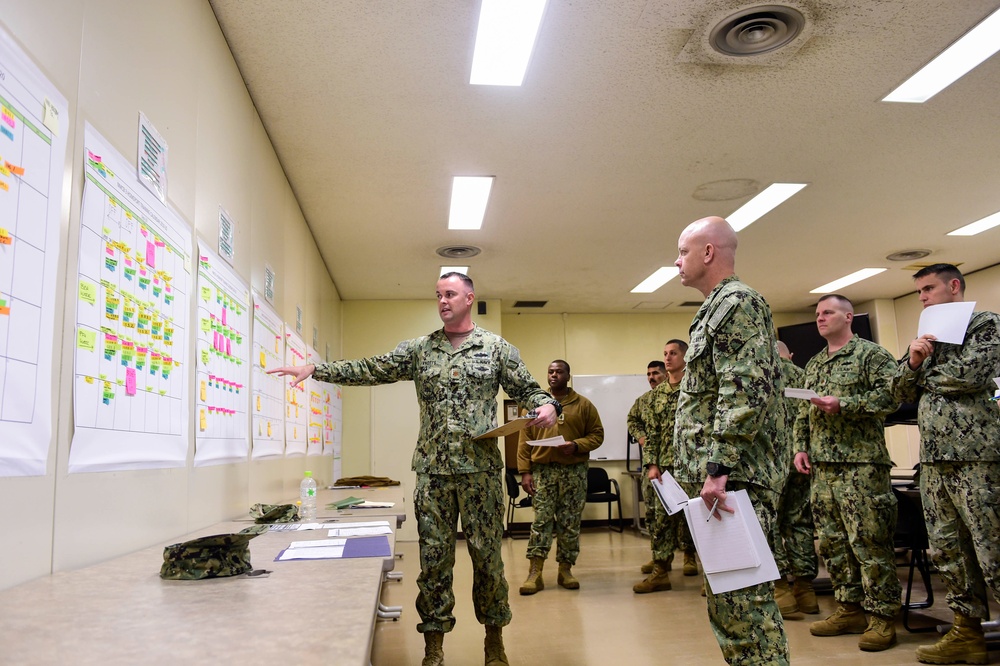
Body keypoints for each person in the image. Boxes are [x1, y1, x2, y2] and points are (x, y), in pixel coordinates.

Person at [268, 272, 560, 666]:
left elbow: (529, 389)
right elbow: (373, 368)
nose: (443, 301)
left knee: (488, 560)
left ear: (470, 298)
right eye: (438, 295)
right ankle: (434, 648)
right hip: (433, 475)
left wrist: (547, 405)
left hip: (480, 475)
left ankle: (494, 642)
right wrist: (318, 371)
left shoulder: (497, 349)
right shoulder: (420, 350)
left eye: (451, 294)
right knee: (434, 562)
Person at [672, 216, 790, 665]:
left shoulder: (737, 303)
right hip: (724, 481)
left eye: (683, 251)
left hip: (735, 481)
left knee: (744, 606)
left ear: (708, 253)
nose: (676, 260)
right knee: (730, 604)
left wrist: (717, 469)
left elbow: (745, 389)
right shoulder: (714, 308)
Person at [890, 263, 1000, 665]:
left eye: (929, 288)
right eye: (919, 291)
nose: (922, 297)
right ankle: (966, 632)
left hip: (978, 458)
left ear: (954, 286)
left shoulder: (985, 324)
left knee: (992, 548)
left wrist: (925, 372)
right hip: (934, 461)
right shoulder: (926, 337)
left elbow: (970, 375)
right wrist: (915, 362)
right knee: (947, 550)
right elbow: (897, 389)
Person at [792, 294, 901, 651]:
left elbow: (893, 398)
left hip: (862, 466)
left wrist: (846, 405)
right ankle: (849, 608)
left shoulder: (872, 355)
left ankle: (883, 617)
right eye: (818, 314)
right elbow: (802, 411)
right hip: (823, 468)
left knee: (869, 544)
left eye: (828, 312)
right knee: (834, 544)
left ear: (848, 316)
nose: (821, 319)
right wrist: (801, 446)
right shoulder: (815, 364)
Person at [517, 360, 604, 595]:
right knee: (541, 522)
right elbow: (524, 441)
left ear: (568, 376)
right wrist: (525, 472)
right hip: (543, 471)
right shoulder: (534, 407)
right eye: (550, 371)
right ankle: (535, 573)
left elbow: (597, 435)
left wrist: (576, 445)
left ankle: (565, 570)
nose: (554, 375)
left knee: (569, 523)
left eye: (559, 372)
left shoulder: (583, 405)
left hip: (574, 472)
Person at [633, 339, 690, 593]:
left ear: (685, 357)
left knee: (698, 519)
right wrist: (652, 463)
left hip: (692, 466)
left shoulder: (697, 389)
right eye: (665, 354)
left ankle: (708, 573)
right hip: (665, 467)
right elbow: (652, 432)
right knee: (660, 520)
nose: (668, 358)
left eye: (673, 353)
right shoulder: (657, 395)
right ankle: (661, 570)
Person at [772, 341, 819, 618]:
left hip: (771, 460)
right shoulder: (805, 375)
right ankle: (805, 589)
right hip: (802, 458)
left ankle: (780, 589)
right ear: (790, 354)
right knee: (800, 521)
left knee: (771, 525)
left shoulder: (763, 373)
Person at [627, 360, 667, 576]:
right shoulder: (643, 401)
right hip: (651, 466)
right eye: (649, 374)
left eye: (656, 373)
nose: (651, 377)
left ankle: (689, 556)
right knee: (652, 514)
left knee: (683, 515)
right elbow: (631, 419)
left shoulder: (680, 396)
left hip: (676, 465)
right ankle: (659, 557)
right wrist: (640, 436)